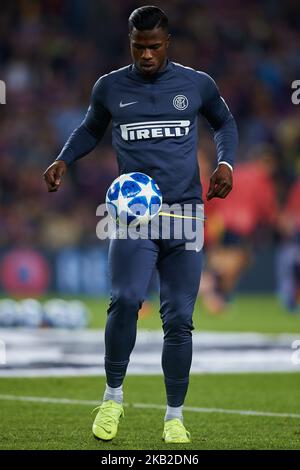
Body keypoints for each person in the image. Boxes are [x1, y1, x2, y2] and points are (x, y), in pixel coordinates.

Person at [43, 6, 238, 444]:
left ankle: (174, 417)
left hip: (186, 215)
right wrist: (63, 158)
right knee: (126, 299)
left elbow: (224, 122)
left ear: (167, 43)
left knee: (179, 320)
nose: (146, 55)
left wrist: (225, 163)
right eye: (138, 47)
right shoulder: (110, 87)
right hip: (134, 218)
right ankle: (112, 398)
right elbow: (91, 128)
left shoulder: (197, 84)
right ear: (129, 42)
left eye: (153, 47)